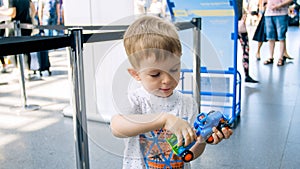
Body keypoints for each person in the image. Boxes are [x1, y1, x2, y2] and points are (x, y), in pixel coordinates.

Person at [110, 16, 233, 169]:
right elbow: (116, 127)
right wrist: (164, 119)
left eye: (174, 69)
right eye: (155, 74)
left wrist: (203, 140)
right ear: (136, 74)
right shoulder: (137, 100)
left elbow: (190, 153)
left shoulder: (187, 103)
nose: (167, 80)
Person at [263, 0, 293, 66]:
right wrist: (265, 4)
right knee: (270, 37)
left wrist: (279, 5)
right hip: (268, 14)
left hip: (281, 14)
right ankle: (271, 57)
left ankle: (281, 57)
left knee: (281, 37)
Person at [237, 0, 259, 83]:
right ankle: (246, 75)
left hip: (231, 22)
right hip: (239, 23)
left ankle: (246, 74)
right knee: (245, 49)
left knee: (245, 49)